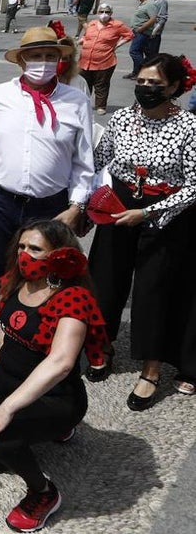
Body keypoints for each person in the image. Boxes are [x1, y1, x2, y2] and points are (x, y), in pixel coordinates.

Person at [0, 221, 107, 534]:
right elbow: (5, 320)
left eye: (35, 249)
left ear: (59, 255)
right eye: (22, 247)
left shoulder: (73, 298)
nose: (25, 255)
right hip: (7, 380)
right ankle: (47, 430)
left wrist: (8, 408)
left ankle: (43, 493)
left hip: (56, 395)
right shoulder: (15, 281)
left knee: (4, 438)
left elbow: (62, 362)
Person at [88, 53, 196, 404]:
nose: (147, 89)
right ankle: (102, 345)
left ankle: (151, 368)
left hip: (166, 216)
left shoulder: (189, 127)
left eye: (156, 85)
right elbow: (100, 161)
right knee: (105, 280)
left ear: (175, 87)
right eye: (142, 82)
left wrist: (149, 212)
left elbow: (194, 184)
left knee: (154, 290)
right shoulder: (121, 119)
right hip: (119, 209)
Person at [0, 28, 94, 312]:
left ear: (59, 60)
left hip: (50, 205)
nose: (42, 62)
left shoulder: (76, 101)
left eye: (49, 56)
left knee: (44, 274)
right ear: (21, 61)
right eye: (35, 56)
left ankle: (34, 337)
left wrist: (76, 206)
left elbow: (83, 160)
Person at [78, 2, 133, 115]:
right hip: (85, 61)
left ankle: (101, 106)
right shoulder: (92, 24)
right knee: (84, 84)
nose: (104, 14)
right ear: (98, 13)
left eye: (107, 12)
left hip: (104, 61)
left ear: (111, 13)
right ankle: (83, 104)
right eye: (101, 12)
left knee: (101, 84)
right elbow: (86, 36)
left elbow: (129, 35)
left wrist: (117, 45)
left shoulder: (117, 25)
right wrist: (80, 41)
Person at [125, 0, 161, 79]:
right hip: (137, 31)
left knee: (134, 51)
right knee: (139, 51)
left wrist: (141, 28)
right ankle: (136, 72)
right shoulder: (143, 4)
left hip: (143, 32)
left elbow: (153, 19)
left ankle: (144, 70)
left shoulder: (150, 4)